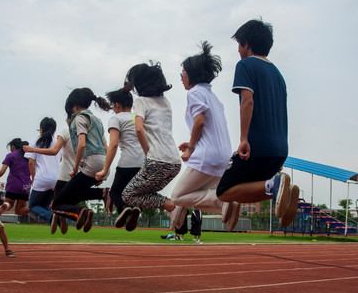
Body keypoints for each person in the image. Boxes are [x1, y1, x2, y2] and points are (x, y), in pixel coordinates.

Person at [216, 19, 300, 230]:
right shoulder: (278, 75)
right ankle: (278, 191)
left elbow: (248, 100)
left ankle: (274, 187)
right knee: (244, 187)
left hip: (258, 146)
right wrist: (280, 150)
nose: (238, 50)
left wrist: (244, 139)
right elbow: (282, 111)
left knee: (224, 190)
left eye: (238, 44)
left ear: (247, 44)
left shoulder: (246, 65)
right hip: (279, 149)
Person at [170, 41, 232, 230]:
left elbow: (200, 122)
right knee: (192, 195)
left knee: (177, 197)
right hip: (223, 157)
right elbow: (208, 128)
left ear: (192, 74)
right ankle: (176, 226)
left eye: (183, 74)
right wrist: (191, 143)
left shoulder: (195, 93)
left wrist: (190, 148)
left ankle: (222, 202)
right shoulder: (213, 97)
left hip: (208, 156)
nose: (181, 78)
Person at [121, 62, 181, 231]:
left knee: (128, 195)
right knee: (145, 193)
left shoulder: (141, 101)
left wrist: (147, 152)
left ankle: (171, 205)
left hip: (157, 160)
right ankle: (173, 208)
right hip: (174, 163)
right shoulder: (165, 102)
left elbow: (138, 128)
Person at [50, 88, 111, 233]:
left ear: (74, 106)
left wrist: (75, 168)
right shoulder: (97, 120)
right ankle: (103, 193)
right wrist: (105, 170)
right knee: (75, 193)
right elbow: (106, 147)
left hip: (90, 162)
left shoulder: (78, 118)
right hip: (102, 161)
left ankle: (80, 213)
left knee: (56, 204)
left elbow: (82, 144)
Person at [95, 88, 143, 230]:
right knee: (136, 192)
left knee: (115, 192)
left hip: (127, 163)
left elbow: (113, 144)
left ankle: (125, 209)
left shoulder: (116, 119)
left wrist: (104, 169)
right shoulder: (138, 118)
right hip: (144, 163)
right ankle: (135, 209)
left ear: (116, 104)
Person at [24, 117, 60, 225]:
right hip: (55, 179)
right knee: (44, 206)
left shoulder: (35, 142)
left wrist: (33, 178)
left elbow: (31, 162)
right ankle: (57, 222)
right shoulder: (58, 143)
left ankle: (52, 218)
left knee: (33, 206)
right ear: (54, 130)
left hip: (42, 178)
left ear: (41, 129)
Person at [0, 138, 31, 217]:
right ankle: (37, 207)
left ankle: (6, 205)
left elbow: (2, 171)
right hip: (25, 186)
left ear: (12, 146)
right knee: (19, 210)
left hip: (13, 185)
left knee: (9, 204)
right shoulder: (28, 156)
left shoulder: (11, 156)